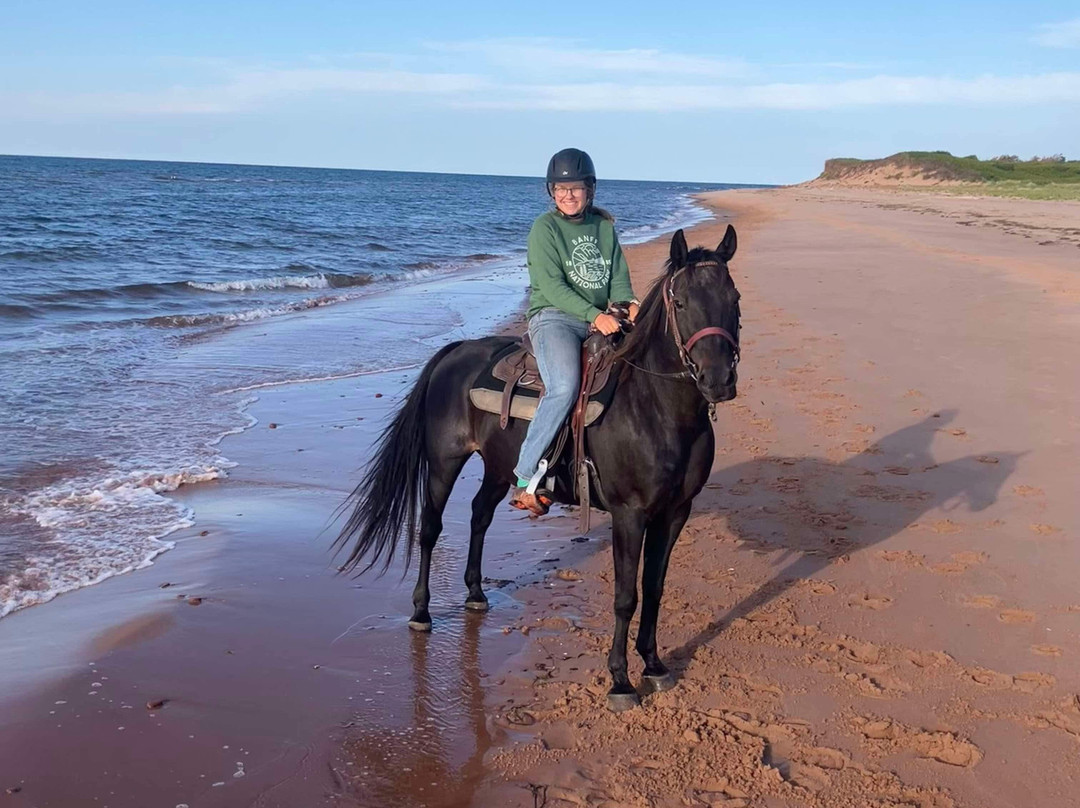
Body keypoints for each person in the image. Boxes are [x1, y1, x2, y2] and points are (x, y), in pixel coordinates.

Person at [509, 148, 639, 515]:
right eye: (561, 188)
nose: (568, 195)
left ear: (590, 190)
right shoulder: (544, 229)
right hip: (555, 318)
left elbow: (618, 277)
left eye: (576, 188)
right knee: (564, 385)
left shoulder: (603, 226)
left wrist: (628, 302)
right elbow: (551, 287)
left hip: (600, 315)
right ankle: (524, 477)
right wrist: (594, 316)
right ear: (551, 191)